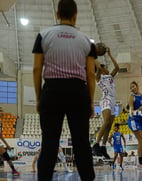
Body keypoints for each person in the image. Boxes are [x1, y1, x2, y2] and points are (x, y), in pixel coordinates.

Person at [32, 0, 96, 180]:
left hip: (52, 90)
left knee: (50, 143)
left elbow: (37, 69)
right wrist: (91, 101)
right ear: (75, 16)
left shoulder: (43, 35)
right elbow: (90, 74)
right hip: (78, 91)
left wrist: (39, 97)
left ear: (57, 14)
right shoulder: (86, 41)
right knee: (82, 143)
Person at [93, 46, 119, 159]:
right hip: (106, 99)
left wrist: (109, 54)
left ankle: (103, 147)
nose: (107, 68)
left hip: (113, 101)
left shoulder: (110, 76)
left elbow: (117, 67)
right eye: (105, 68)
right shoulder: (99, 77)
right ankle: (96, 143)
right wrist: (95, 56)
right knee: (107, 121)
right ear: (103, 70)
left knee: (109, 125)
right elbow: (98, 69)